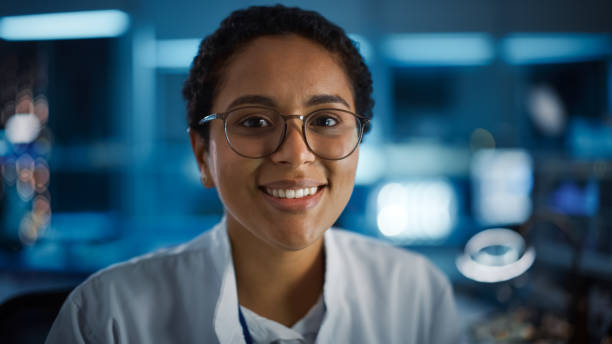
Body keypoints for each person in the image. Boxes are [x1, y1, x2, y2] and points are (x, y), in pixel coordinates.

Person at [46, 5, 460, 343]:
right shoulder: (108, 317)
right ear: (202, 155)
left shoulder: (415, 293)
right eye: (255, 122)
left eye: (327, 121)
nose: (296, 155)